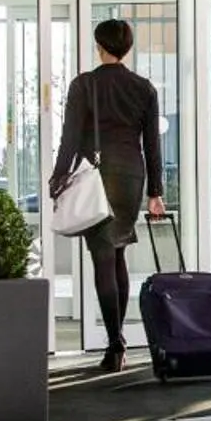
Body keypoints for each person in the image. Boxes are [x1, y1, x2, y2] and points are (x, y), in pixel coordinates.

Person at [50, 19, 167, 372]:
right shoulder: (144, 89)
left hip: (96, 177)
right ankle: (118, 341)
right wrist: (156, 192)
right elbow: (152, 145)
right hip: (130, 176)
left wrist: (59, 176)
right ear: (127, 48)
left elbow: (70, 138)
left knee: (103, 258)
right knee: (117, 253)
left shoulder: (84, 84)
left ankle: (115, 345)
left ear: (100, 46)